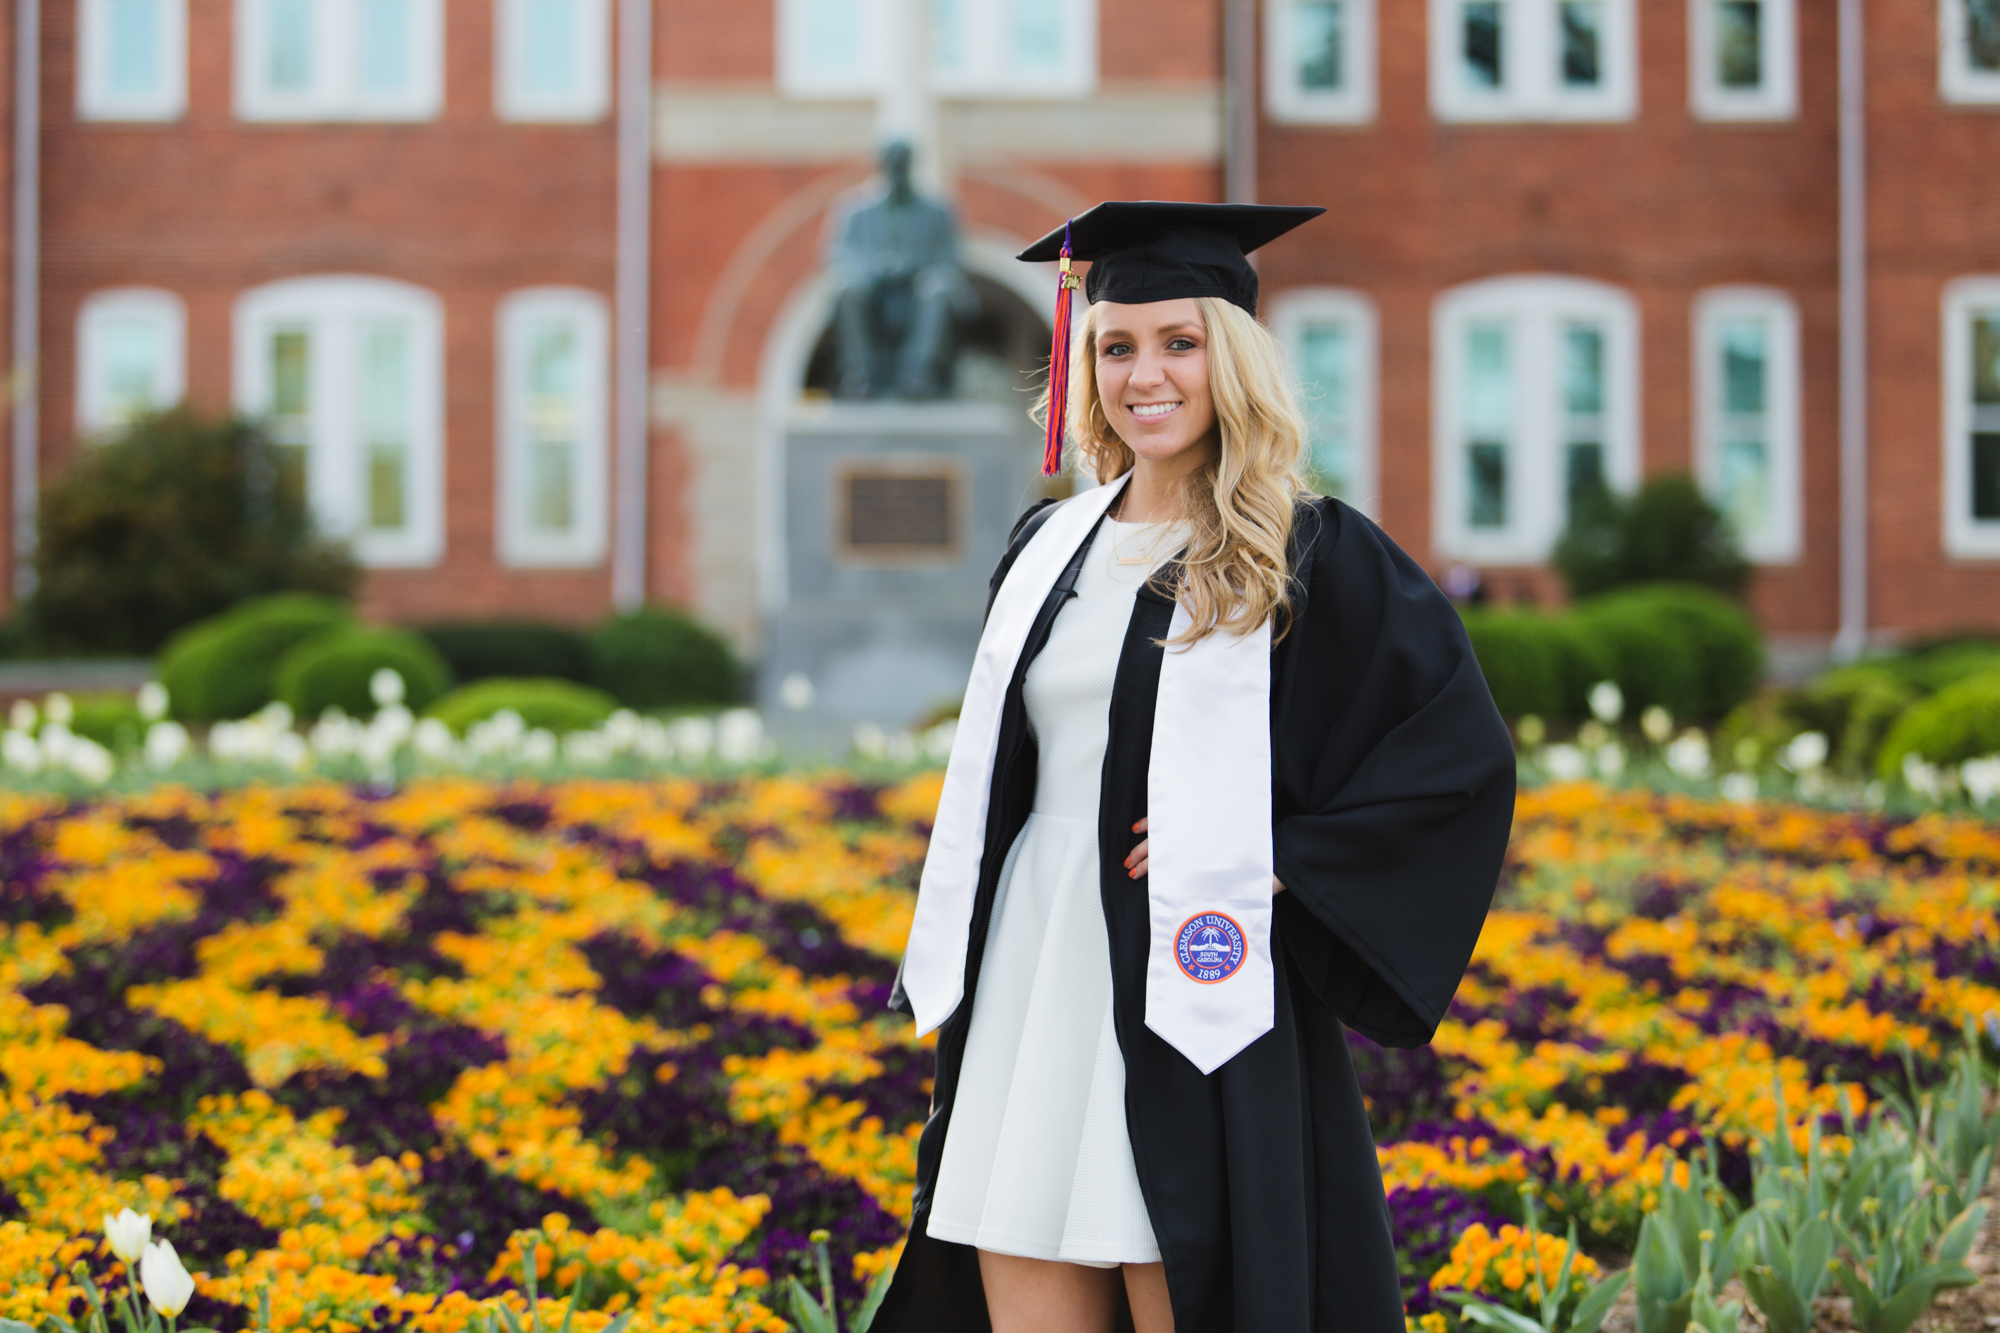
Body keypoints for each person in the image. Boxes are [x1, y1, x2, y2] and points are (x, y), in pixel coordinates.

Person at [873, 201, 1517, 1333]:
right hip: (1036, 950)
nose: (1144, 374)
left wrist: (1273, 856)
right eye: (1116, 346)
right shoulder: (1047, 545)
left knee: (1184, 1265)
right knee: (1015, 1252)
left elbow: (1451, 756)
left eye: (1178, 343)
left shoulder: (1305, 549)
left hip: (1186, 971)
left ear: (1232, 359)